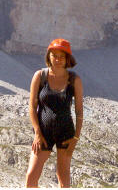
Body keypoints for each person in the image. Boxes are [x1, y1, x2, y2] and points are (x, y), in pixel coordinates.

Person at [25, 38, 83, 188]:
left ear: (67, 59)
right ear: (48, 56)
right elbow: (32, 107)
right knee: (31, 177)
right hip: (43, 133)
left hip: (66, 133)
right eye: (54, 55)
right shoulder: (40, 76)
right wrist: (37, 133)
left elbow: (79, 111)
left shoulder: (74, 79)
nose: (57, 59)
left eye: (61, 56)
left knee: (63, 178)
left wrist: (76, 138)